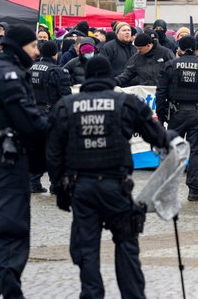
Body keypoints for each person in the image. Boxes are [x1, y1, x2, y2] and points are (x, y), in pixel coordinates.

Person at [47, 56, 171, 299]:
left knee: (87, 249)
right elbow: (157, 136)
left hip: (81, 188)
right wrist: (173, 138)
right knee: (126, 244)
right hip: (116, 188)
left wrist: (59, 188)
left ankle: (92, 294)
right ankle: (133, 295)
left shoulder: (65, 105)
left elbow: (53, 152)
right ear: (108, 77)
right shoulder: (126, 103)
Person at [0, 24, 48, 299]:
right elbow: (28, 120)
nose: (37, 52)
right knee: (11, 232)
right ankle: (11, 293)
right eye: (33, 46)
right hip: (8, 158)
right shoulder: (9, 74)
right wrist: (57, 127)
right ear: (19, 47)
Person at [156, 35, 198, 201]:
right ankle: (195, 190)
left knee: (172, 151)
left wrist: (161, 118)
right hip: (197, 113)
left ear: (180, 48)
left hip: (176, 114)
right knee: (195, 151)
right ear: (195, 47)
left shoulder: (170, 65)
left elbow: (160, 93)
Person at [29, 40, 71, 193]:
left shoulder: (30, 68)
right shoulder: (59, 71)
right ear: (55, 53)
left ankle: (33, 183)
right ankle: (56, 184)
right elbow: (66, 97)